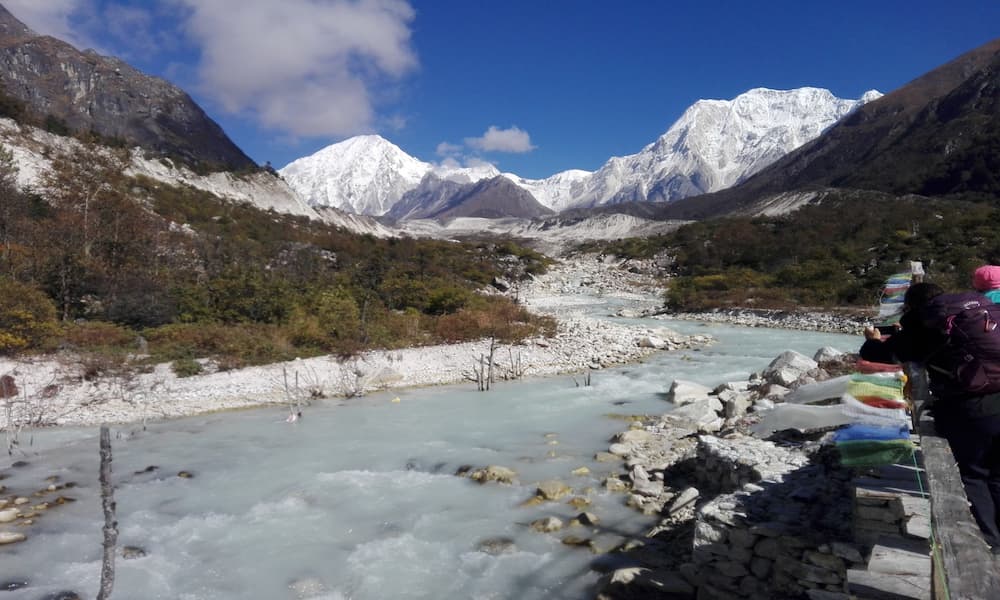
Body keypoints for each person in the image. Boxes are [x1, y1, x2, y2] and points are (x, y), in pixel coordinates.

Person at [861, 282, 1000, 552]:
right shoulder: (977, 311)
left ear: (912, 306)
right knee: (997, 474)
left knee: (974, 474)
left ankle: (991, 542)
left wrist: (873, 340)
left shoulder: (925, 325)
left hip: (971, 410)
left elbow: (880, 355)